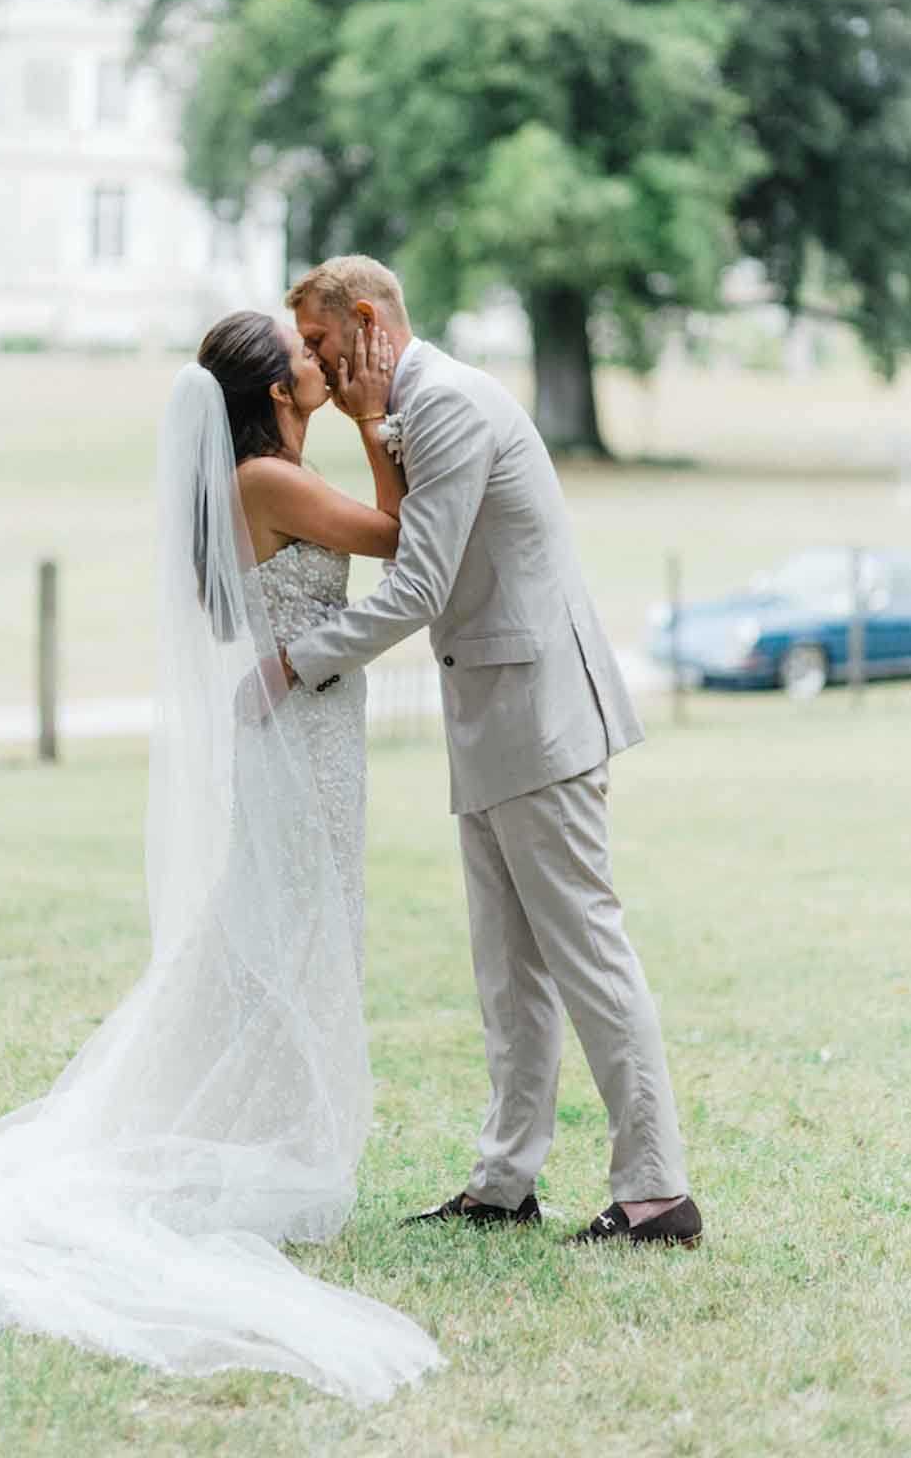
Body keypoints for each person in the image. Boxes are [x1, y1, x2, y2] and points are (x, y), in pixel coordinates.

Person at [0, 310, 440, 1404]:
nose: (319, 359)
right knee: (284, 929)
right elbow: (393, 533)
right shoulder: (263, 482)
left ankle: (272, 1129)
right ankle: (268, 1140)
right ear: (268, 389)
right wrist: (383, 414)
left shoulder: (272, 471)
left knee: (291, 923)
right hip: (302, 741)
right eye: (301, 355)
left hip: (309, 732)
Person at [281, 255, 701, 1249]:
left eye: (320, 342)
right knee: (508, 966)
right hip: (494, 715)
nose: (313, 362)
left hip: (539, 713)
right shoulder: (408, 408)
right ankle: (505, 1180)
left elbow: (419, 583)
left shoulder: (450, 406)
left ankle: (657, 1191)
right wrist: (365, 415)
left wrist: (296, 661)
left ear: (369, 318)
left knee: (586, 950)